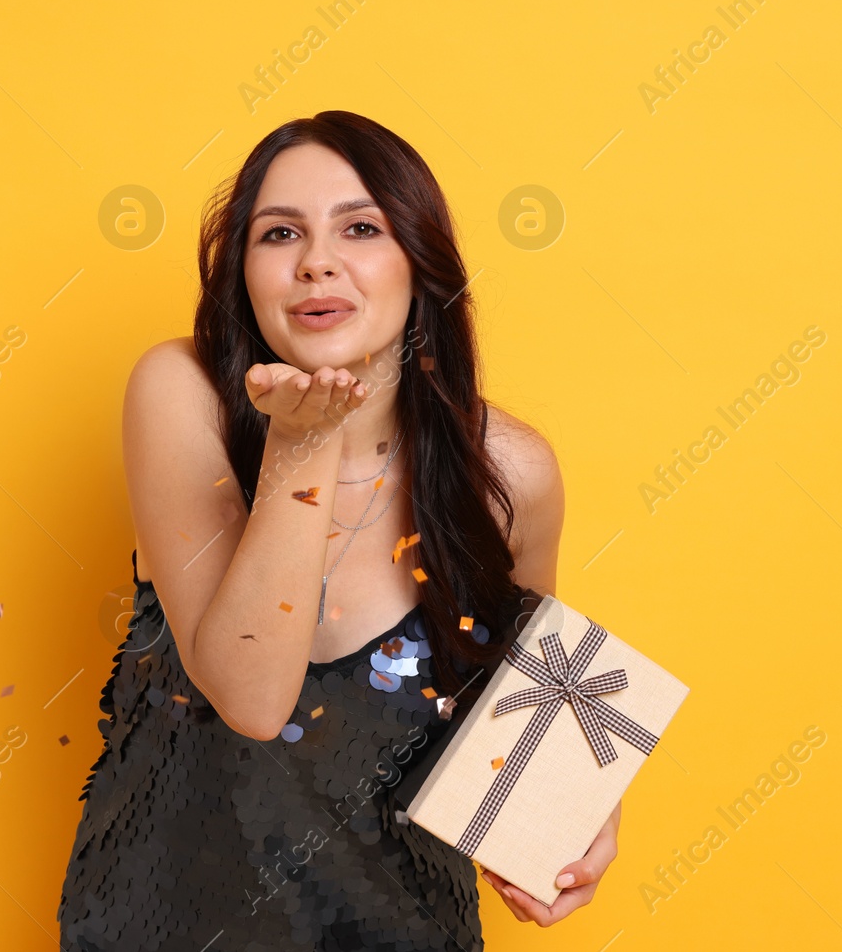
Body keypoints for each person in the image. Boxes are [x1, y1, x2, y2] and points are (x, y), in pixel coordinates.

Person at [56, 110, 620, 950]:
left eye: (361, 227)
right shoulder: (180, 396)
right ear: (242, 274)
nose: (318, 260)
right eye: (280, 234)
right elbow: (249, 695)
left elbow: (519, 705)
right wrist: (304, 441)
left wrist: (581, 806)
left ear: (418, 262)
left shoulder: (511, 470)